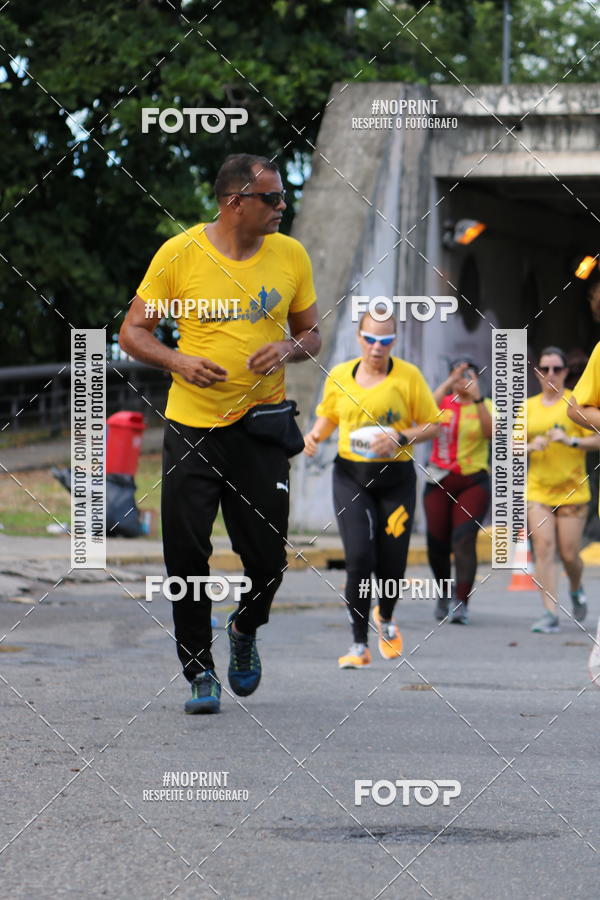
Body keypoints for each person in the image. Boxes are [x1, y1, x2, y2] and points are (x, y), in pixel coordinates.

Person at [119, 154, 320, 713]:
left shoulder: (291, 255)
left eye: (283, 197)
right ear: (235, 202)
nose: (283, 206)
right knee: (186, 555)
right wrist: (178, 362)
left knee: (268, 560)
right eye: (273, 198)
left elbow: (312, 335)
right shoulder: (179, 254)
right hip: (193, 427)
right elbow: (133, 332)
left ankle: (245, 626)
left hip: (261, 427)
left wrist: (287, 347)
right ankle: (200, 672)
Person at [303, 311, 440, 668]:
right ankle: (358, 645)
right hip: (351, 476)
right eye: (371, 339)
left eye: (385, 341)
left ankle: (387, 616)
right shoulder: (339, 375)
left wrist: (401, 436)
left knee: (392, 563)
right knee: (360, 558)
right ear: (360, 337)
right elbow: (330, 414)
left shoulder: (408, 377)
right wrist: (315, 436)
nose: (377, 348)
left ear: (394, 341)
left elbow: (434, 424)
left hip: (396, 481)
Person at [526, 346, 600, 633]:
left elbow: (597, 441)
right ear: (538, 373)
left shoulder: (576, 401)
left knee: (570, 555)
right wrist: (531, 446)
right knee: (543, 548)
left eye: (557, 369)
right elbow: (511, 444)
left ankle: (576, 586)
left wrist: (571, 442)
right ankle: (549, 613)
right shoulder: (527, 407)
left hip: (573, 489)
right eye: (545, 369)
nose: (551, 375)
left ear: (567, 372)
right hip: (538, 490)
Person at [423, 359, 493, 624]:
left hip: (473, 480)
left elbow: (490, 433)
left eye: (469, 375)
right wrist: (447, 384)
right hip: (438, 479)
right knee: (436, 542)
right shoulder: (442, 402)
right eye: (459, 375)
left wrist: (477, 400)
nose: (464, 380)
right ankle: (444, 592)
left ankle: (462, 602)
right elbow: (421, 413)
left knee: (463, 539)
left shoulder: (484, 406)